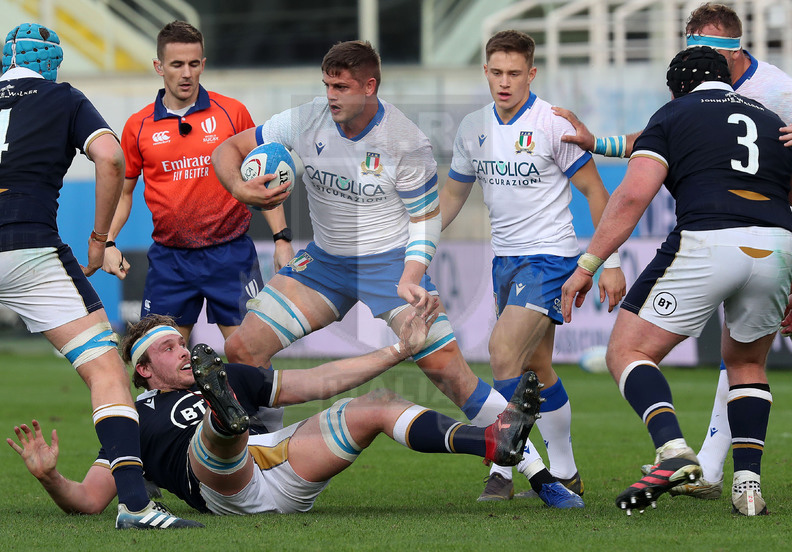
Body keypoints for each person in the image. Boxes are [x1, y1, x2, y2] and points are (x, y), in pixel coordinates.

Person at [212, 39, 568, 497]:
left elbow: (426, 219)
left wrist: (411, 275)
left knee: (452, 376)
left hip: (390, 265)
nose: (331, 96)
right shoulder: (305, 119)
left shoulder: (406, 141)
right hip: (325, 263)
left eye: (341, 86)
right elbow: (229, 149)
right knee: (243, 347)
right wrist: (241, 189)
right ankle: (262, 450)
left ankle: (538, 474)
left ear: (369, 86)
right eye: (327, 85)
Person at [553, 2, 792, 501]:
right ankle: (746, 486)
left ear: (676, 87)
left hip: (710, 238)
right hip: (776, 244)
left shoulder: (682, 110)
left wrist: (590, 263)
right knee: (746, 364)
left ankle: (672, 448)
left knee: (628, 351)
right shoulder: (770, 117)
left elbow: (634, 195)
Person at [8, 313, 543, 516]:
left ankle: (494, 444)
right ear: (144, 370)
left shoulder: (229, 374)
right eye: (169, 349)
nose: (183, 352)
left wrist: (395, 353)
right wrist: (52, 477)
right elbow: (89, 501)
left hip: (280, 466)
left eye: (181, 342)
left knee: (376, 406)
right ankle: (224, 421)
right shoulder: (131, 417)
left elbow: (319, 382)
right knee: (217, 437)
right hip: (224, 488)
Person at [0, 23, 200, 529]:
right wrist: (100, 239)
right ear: (49, 61)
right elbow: (109, 156)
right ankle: (134, 505)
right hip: (26, 245)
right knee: (106, 370)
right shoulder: (61, 96)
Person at [440, 30, 626, 504]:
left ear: (532, 73)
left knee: (502, 351)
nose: (504, 82)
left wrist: (607, 261)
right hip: (505, 260)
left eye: (514, 73)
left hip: (551, 258)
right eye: (496, 72)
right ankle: (565, 473)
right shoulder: (471, 128)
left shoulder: (551, 123)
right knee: (538, 367)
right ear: (486, 71)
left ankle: (504, 471)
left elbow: (596, 192)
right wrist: (413, 244)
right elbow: (454, 196)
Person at [103, 20, 292, 344]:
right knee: (161, 359)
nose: (187, 73)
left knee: (249, 356)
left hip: (231, 255)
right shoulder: (138, 126)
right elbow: (124, 194)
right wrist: (107, 243)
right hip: (170, 261)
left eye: (193, 64)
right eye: (177, 64)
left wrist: (282, 239)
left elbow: (264, 182)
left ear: (203, 64)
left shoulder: (232, 114)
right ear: (159, 67)